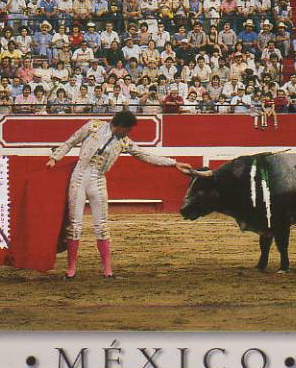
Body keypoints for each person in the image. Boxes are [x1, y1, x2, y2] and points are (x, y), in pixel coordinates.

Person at [45, 111, 193, 278]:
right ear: (120, 125)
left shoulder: (124, 142)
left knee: (102, 226)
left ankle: (107, 271)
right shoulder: (93, 126)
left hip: (98, 181)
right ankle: (71, 270)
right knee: (74, 225)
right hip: (78, 178)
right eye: (128, 130)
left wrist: (174, 163)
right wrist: (55, 158)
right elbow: (71, 141)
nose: (128, 134)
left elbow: (145, 155)